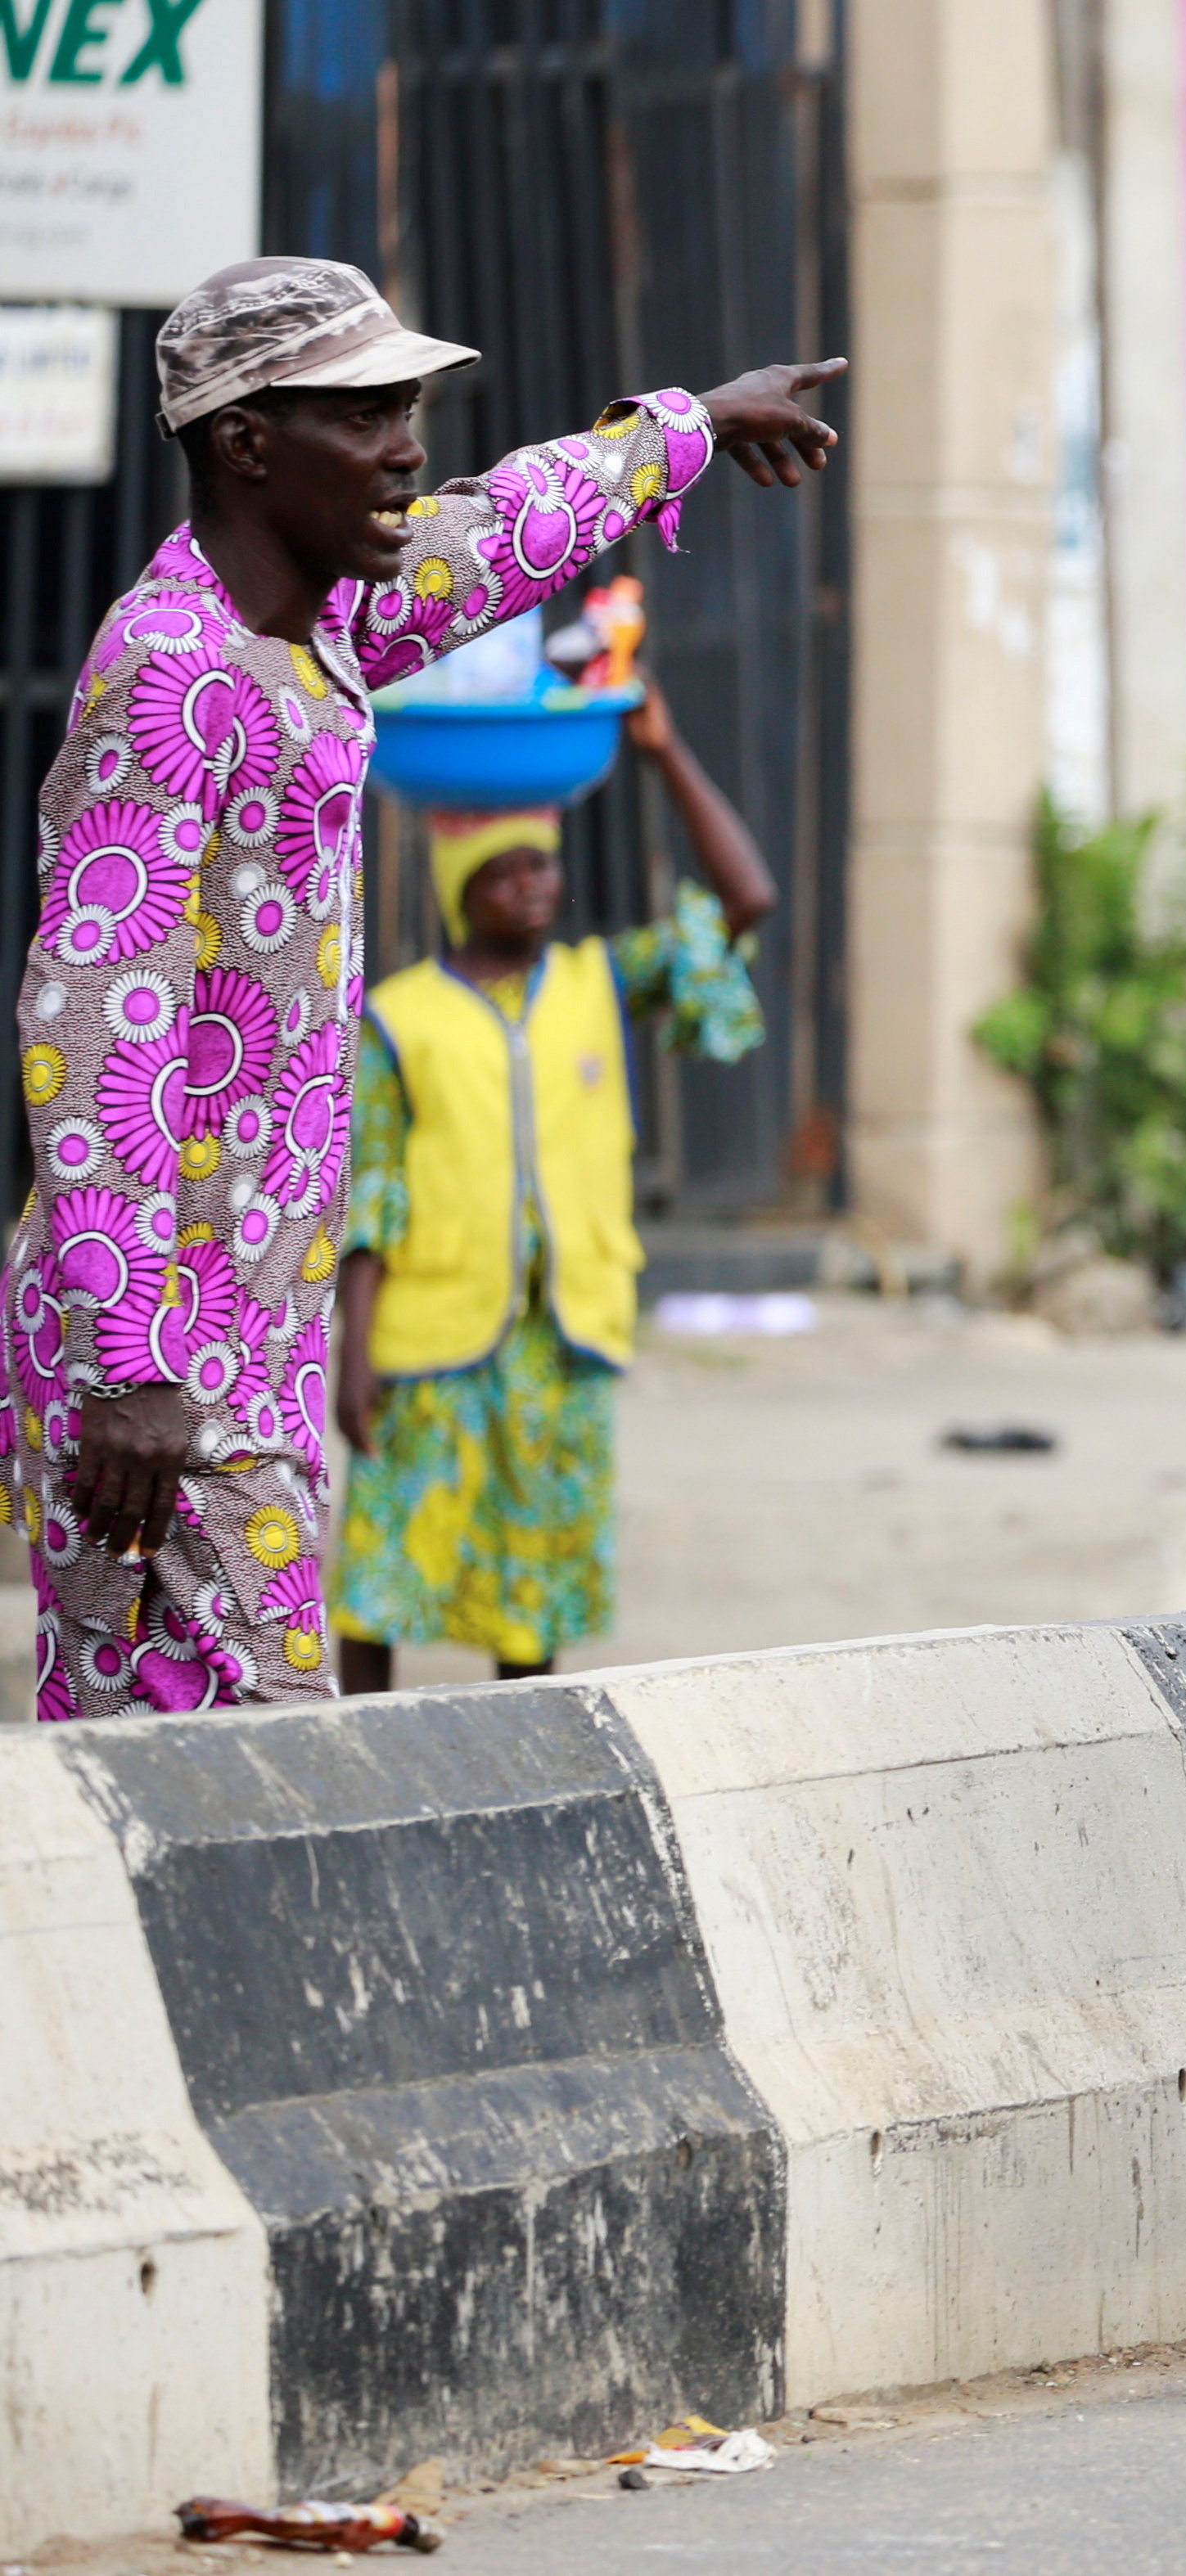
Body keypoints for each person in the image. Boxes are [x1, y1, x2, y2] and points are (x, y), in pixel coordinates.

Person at [11, 255, 839, 1722]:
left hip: (253, 1320)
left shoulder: (322, 626)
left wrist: (694, 424)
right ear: (245, 443)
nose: (407, 450)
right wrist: (129, 1358)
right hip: (161, 1339)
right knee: (248, 1758)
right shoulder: (171, 669)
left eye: (409, 410)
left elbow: (497, 531)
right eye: (366, 416)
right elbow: (89, 1019)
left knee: (163, 1765)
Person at [329, 678, 779, 1691]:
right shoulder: (399, 1017)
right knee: (383, 1572)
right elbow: (373, 1193)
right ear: (461, 890)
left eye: (544, 864)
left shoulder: (600, 983)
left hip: (559, 1338)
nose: (535, 885)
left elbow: (745, 900)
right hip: (429, 1341)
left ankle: (526, 1746)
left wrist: (664, 752)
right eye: (507, 870)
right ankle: (350, 1739)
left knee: (531, 1587)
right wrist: (353, 1356)